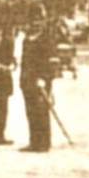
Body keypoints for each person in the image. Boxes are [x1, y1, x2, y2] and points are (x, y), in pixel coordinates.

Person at [19, 16, 57, 152]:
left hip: (41, 82)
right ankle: (34, 141)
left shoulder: (47, 41)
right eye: (33, 23)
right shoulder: (26, 41)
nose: (35, 26)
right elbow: (24, 63)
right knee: (31, 112)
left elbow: (51, 63)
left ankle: (44, 143)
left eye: (38, 23)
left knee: (41, 112)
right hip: (27, 82)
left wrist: (44, 78)